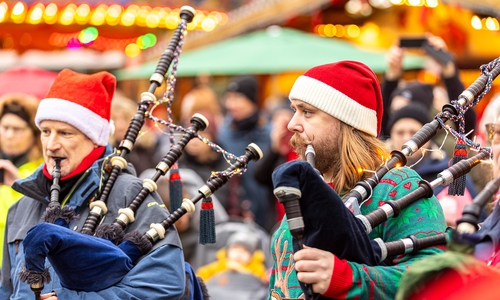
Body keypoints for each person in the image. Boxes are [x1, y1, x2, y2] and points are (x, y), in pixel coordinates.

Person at [268, 61, 447, 299]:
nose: (292, 124)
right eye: (294, 110)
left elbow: (435, 276)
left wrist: (346, 278)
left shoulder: (397, 186)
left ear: (347, 123)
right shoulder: (305, 189)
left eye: (307, 111)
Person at [0, 69, 185, 299]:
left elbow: (164, 284)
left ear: (94, 138)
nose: (51, 145)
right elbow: (6, 289)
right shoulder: (22, 207)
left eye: (65, 133)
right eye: (45, 131)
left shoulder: (129, 194)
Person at [386, 102, 480, 227]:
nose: (407, 138)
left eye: (414, 132)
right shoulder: (381, 172)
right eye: (400, 132)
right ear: (391, 135)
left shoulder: (453, 173)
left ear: (428, 137)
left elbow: (479, 218)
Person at [218, 75, 271, 231]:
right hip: (234, 214)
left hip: (267, 212)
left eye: (237, 98)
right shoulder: (223, 134)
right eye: (229, 98)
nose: (231, 104)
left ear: (252, 100)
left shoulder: (268, 133)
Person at [0, 93, 44, 267]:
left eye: (17, 129)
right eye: (5, 127)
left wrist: (21, 185)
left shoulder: (42, 172)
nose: (9, 135)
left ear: (34, 134)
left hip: (22, 267)